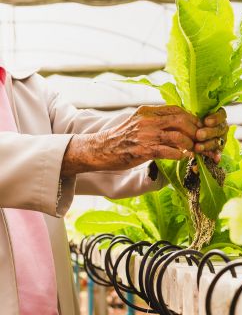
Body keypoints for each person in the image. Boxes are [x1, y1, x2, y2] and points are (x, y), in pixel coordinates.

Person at [0, 65, 229, 315]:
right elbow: (80, 148)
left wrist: (173, 136)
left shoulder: (24, 85)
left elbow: (80, 133)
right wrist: (96, 148)